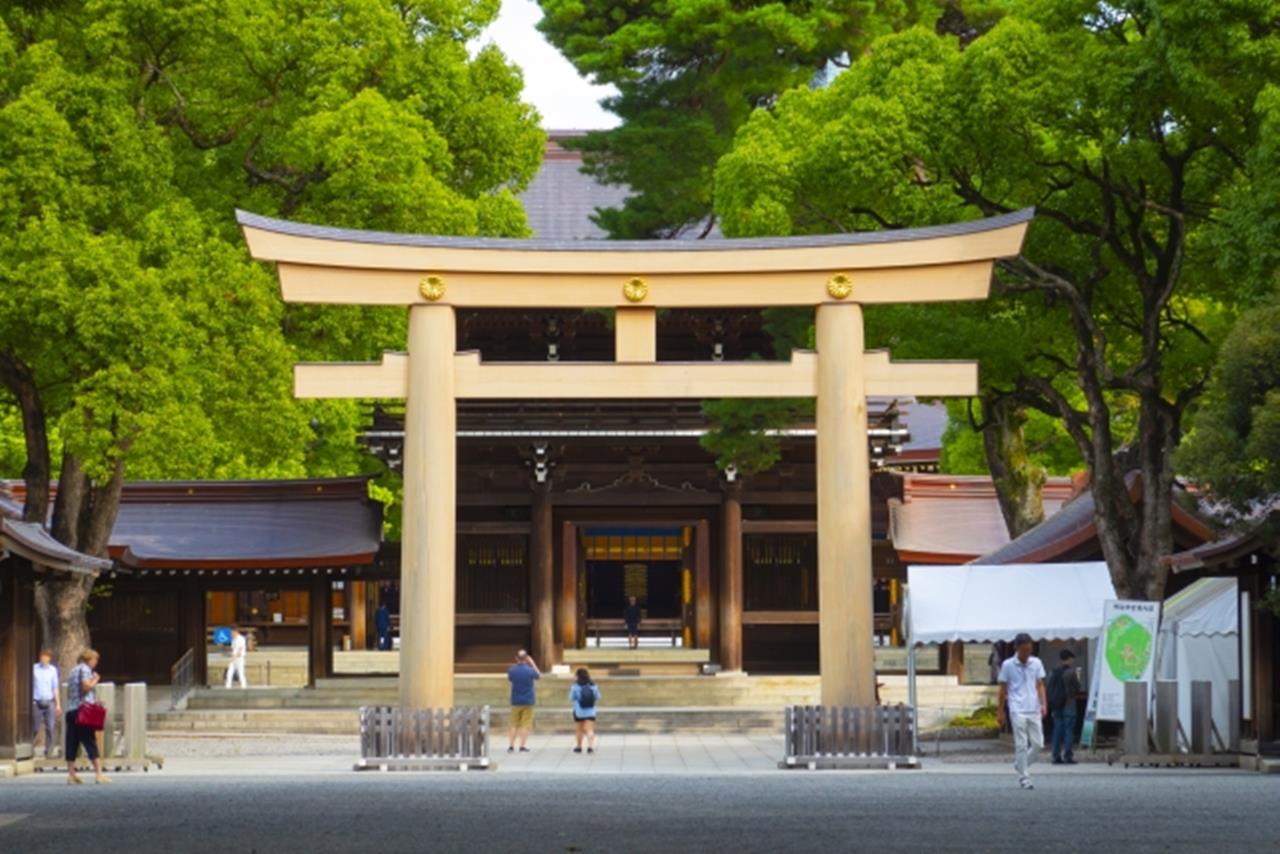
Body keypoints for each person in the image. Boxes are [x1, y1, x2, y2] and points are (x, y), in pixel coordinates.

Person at [996, 632, 1047, 790]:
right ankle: (1024, 777)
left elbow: (1039, 684)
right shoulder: (1008, 665)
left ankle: (1020, 764)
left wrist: (1043, 703)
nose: (1026, 654)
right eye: (1023, 651)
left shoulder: (1036, 663)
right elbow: (1003, 689)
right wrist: (1000, 711)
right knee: (1021, 744)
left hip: (1034, 707)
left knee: (1038, 744)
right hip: (1017, 708)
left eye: (1028, 650)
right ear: (1016, 648)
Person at [65, 648, 109, 785]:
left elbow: (75, 691)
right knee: (90, 741)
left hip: (72, 710)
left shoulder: (73, 670)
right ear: (90, 659)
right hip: (83, 712)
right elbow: (86, 687)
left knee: (72, 742)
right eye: (95, 660)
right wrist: (95, 679)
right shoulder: (85, 670)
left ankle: (71, 774)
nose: (96, 663)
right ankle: (98, 774)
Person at [1049, 648, 1083, 765]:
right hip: (1069, 704)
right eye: (1072, 658)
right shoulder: (1071, 672)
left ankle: (1055, 756)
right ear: (1069, 659)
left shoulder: (1054, 671)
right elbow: (1078, 688)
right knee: (1069, 731)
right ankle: (1068, 756)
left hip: (1056, 705)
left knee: (1057, 730)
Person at [507, 649, 540, 753]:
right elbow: (538, 675)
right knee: (526, 724)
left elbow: (510, 679)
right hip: (528, 700)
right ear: (526, 659)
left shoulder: (512, 670)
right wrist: (532, 663)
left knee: (514, 724)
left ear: (516, 658)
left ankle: (511, 745)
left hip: (515, 700)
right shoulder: (530, 670)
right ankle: (522, 746)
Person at [32, 648, 61, 758]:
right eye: (42, 656)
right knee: (35, 727)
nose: (44, 659)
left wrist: (58, 704)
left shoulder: (52, 670)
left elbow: (55, 687)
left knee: (50, 726)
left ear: (49, 658)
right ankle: (30, 748)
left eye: (46, 657)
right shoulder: (34, 668)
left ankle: (48, 750)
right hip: (36, 700)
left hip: (49, 701)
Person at [569, 668, 599, 754]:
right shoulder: (593, 686)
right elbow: (597, 697)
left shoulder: (575, 686)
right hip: (591, 711)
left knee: (579, 730)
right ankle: (590, 747)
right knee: (590, 729)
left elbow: (571, 698)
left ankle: (579, 747)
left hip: (579, 711)